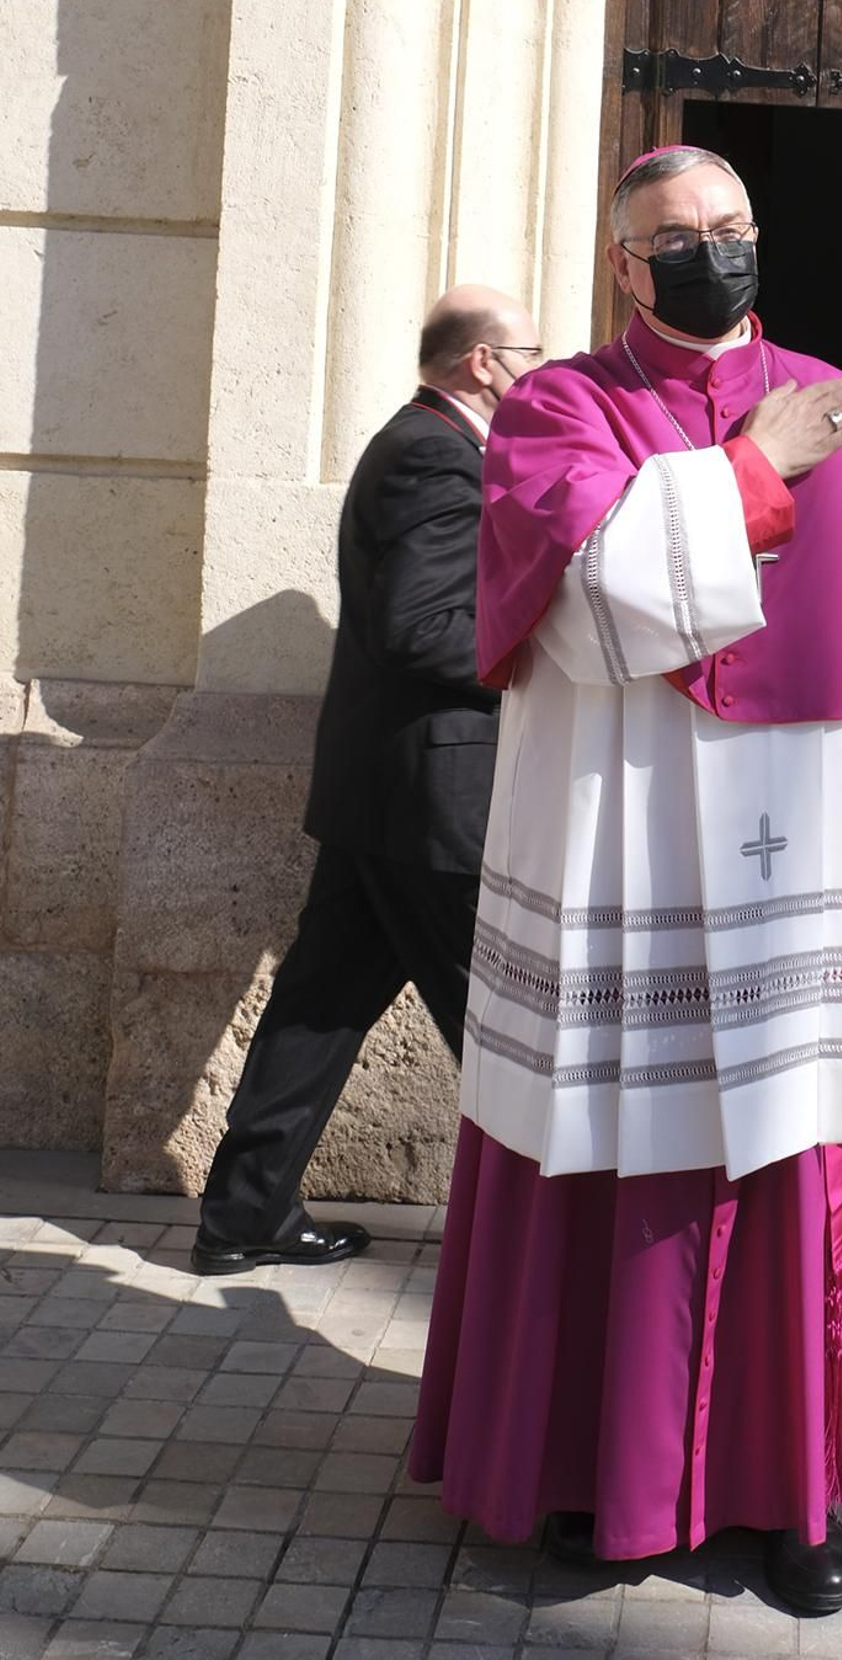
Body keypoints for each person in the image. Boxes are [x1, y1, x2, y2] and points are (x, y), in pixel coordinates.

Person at [410, 146, 842, 1616]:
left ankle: (790, 1502)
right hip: (627, 848)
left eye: (733, 228)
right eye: (681, 237)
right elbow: (593, 589)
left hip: (797, 852)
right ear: (625, 263)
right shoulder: (561, 405)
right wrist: (755, 466)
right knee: (612, 1158)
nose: (714, 254)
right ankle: (587, 1484)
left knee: (793, 1171)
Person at [191, 285, 543, 1275]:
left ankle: (246, 1213)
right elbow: (420, 628)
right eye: (533, 352)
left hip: (387, 799)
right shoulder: (433, 452)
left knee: (319, 1007)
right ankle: (559, 1242)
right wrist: (547, 660)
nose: (544, 371)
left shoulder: (430, 445)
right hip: (429, 800)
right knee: (506, 1024)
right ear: (482, 361)